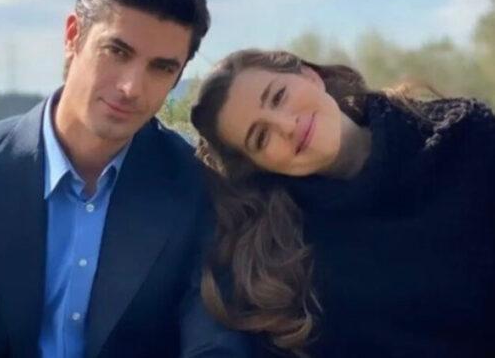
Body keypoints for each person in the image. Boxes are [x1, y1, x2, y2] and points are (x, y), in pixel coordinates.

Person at [0, 0, 254, 358]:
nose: (131, 87)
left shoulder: (197, 189)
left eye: (161, 68)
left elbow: (215, 345)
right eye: (117, 51)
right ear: (72, 36)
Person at [190, 48, 495, 358]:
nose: (287, 126)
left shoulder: (468, 138)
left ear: (309, 75)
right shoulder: (286, 261)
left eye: (278, 97)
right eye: (261, 137)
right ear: (259, 166)